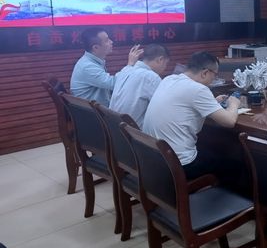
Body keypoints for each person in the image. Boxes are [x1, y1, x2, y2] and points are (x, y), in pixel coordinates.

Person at [142, 51, 241, 180]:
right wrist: (234, 104)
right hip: (180, 165)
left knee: (210, 149)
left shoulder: (169, 79)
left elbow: (184, 105)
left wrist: (213, 103)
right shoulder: (198, 89)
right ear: (205, 73)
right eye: (215, 75)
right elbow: (229, 121)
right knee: (234, 164)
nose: (214, 79)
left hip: (155, 159)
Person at [69, 27, 143, 107]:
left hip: (97, 108)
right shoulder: (87, 67)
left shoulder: (91, 61)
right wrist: (130, 64)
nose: (111, 42)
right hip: (92, 112)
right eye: (107, 40)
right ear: (96, 47)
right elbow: (115, 84)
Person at [109, 44, 170, 126]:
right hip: (133, 131)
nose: (165, 68)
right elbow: (164, 107)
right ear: (160, 59)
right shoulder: (151, 77)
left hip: (114, 126)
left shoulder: (125, 70)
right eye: (166, 64)